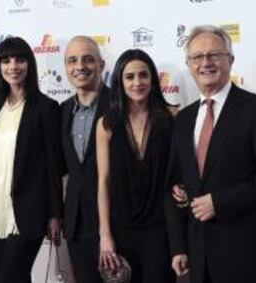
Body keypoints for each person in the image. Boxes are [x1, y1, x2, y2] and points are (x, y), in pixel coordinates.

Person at [170, 25, 256, 283]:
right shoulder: (183, 119)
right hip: (199, 256)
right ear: (189, 64)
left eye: (214, 55)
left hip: (247, 254)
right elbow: (180, 179)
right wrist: (180, 189)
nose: (206, 62)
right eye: (197, 57)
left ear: (231, 60)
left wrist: (220, 201)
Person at [0, 37, 63, 283]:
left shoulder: (46, 108)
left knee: (11, 277)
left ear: (30, 64)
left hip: (27, 213)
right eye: (6, 61)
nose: (13, 66)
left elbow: (53, 166)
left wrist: (54, 214)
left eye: (20, 59)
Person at [96, 49, 177, 283]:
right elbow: (103, 182)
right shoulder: (107, 124)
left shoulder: (172, 118)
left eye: (143, 75)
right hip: (121, 230)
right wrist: (105, 235)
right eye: (129, 77)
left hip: (160, 231)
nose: (137, 82)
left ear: (153, 79)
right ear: (120, 82)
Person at [60, 35, 109, 283]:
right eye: (72, 60)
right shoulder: (62, 111)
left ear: (101, 65)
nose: (80, 66)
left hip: (116, 222)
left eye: (88, 60)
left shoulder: (120, 106)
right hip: (76, 225)